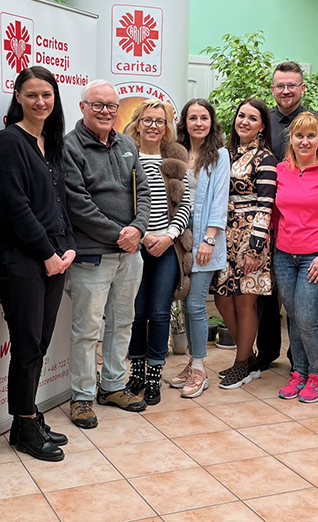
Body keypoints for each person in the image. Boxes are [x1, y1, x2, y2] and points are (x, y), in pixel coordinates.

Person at [0, 66, 76, 461]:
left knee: (39, 342)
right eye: (32, 95)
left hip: (56, 257)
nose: (40, 101)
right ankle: (22, 423)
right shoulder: (9, 141)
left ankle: (30, 413)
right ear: (18, 98)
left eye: (47, 94)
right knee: (26, 344)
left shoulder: (51, 143)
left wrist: (68, 248)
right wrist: (48, 254)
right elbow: (15, 207)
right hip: (23, 259)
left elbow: (62, 203)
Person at [63, 80, 151, 429]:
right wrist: (120, 235)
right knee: (87, 330)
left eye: (111, 106)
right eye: (97, 105)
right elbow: (77, 203)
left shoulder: (127, 143)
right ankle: (82, 397)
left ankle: (113, 385)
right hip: (92, 255)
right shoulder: (69, 147)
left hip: (130, 254)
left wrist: (138, 230)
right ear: (83, 107)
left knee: (122, 322)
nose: (105, 111)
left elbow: (142, 190)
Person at [259, 61, 318, 372]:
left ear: (302, 88)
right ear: (273, 89)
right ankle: (267, 353)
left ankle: (303, 365)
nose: (286, 90)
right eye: (280, 85)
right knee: (271, 300)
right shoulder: (265, 121)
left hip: (313, 237)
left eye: (292, 85)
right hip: (276, 226)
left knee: (303, 311)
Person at [273, 112, 318, 402]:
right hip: (284, 256)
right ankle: (299, 372)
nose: (305, 141)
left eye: (311, 136)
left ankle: (317, 374)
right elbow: (276, 213)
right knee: (293, 317)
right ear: (291, 138)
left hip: (317, 257)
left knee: (308, 317)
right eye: (299, 135)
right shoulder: (281, 170)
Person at [124, 100, 194, 406]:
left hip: (166, 247)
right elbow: (117, 201)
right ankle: (136, 371)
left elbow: (186, 205)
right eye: (148, 120)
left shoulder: (175, 158)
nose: (154, 126)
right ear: (137, 123)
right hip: (134, 246)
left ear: (167, 127)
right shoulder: (124, 154)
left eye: (160, 121)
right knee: (136, 312)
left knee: (160, 311)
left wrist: (168, 236)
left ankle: (154, 375)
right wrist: (141, 235)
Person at [212, 98, 277, 389]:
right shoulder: (225, 154)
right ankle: (248, 356)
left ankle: (241, 364)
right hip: (225, 235)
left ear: (262, 126)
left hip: (250, 236)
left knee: (244, 300)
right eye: (241, 116)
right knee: (222, 297)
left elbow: (266, 206)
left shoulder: (265, 159)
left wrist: (255, 248)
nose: (245, 122)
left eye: (253, 118)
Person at [168, 99, 229, 398]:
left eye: (204, 117)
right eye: (193, 118)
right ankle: (192, 361)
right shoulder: (176, 152)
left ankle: (200, 368)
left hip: (206, 239)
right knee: (182, 300)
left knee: (195, 304)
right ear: (185, 122)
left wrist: (210, 239)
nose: (198, 123)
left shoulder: (219, 155)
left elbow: (220, 200)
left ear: (211, 122)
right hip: (178, 237)